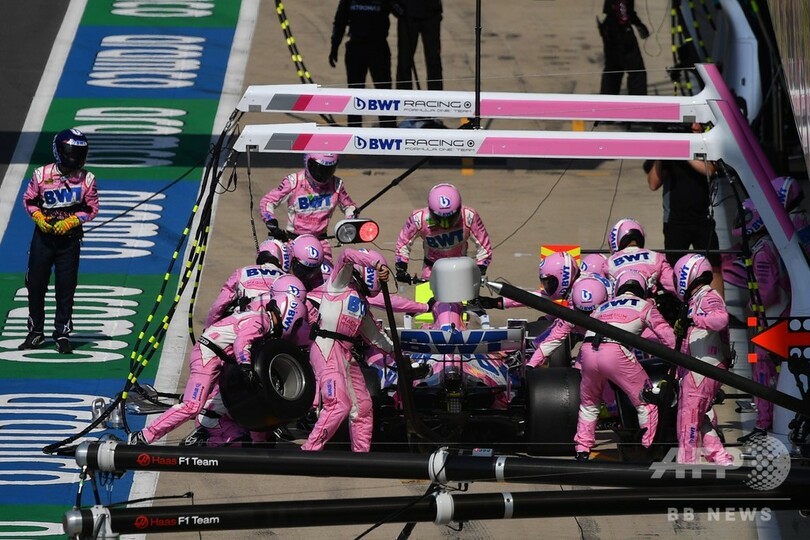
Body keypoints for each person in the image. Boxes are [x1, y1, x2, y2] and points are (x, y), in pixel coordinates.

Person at [129, 291, 306, 445]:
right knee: (192, 405)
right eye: (297, 323)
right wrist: (246, 367)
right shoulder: (262, 322)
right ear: (289, 316)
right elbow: (241, 343)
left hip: (216, 357)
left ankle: (216, 435)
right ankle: (144, 436)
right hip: (208, 356)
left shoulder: (258, 316)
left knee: (218, 406)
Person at [574, 269, 676, 461]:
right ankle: (649, 449)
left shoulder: (602, 307)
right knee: (647, 401)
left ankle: (582, 450)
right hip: (615, 351)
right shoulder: (645, 306)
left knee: (589, 404)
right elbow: (668, 337)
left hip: (588, 351)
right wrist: (683, 356)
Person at [302, 248, 394, 452]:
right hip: (327, 347)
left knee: (363, 408)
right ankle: (309, 450)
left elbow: (377, 338)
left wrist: (398, 354)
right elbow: (345, 254)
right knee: (338, 404)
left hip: (346, 354)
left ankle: (360, 456)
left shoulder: (362, 305)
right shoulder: (339, 283)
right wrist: (376, 264)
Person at [19, 128, 99, 354]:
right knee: (35, 284)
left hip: (69, 241)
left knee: (66, 287)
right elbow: (29, 200)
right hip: (43, 238)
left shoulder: (88, 179)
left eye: (79, 152)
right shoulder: (40, 174)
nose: (75, 157)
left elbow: (92, 208)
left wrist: (73, 221)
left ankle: (62, 333)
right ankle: (35, 332)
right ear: (60, 151)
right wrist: (38, 217)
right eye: (71, 151)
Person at [731, 200, 791, 442]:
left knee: (762, 372)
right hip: (776, 320)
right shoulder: (769, 244)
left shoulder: (762, 252)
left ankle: (764, 423)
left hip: (770, 323)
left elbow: (766, 293)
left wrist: (751, 306)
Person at [645, 123, 723, 297]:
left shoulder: (705, 146)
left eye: (698, 124)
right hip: (675, 220)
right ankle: (676, 308)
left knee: (713, 266)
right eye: (691, 125)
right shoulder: (670, 152)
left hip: (702, 218)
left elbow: (710, 170)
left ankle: (718, 306)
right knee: (674, 268)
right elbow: (653, 184)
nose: (695, 127)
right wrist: (661, 153)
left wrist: (683, 150)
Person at [671, 253, 734, 465]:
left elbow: (721, 319)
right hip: (700, 368)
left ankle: (687, 467)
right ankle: (721, 459)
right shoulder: (696, 299)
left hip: (703, 369)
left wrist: (692, 320)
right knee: (699, 418)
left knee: (687, 421)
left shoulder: (708, 296)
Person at [260, 153, 357, 262]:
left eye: (328, 169)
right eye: (320, 169)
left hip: (321, 242)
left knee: (328, 272)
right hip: (293, 242)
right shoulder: (293, 181)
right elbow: (267, 201)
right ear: (308, 162)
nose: (323, 173)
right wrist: (271, 222)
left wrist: (348, 223)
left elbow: (350, 206)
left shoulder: (337, 184)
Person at [395, 183, 492, 282]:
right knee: (424, 293)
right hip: (431, 272)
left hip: (461, 271)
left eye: (451, 217)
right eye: (439, 218)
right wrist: (401, 267)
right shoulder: (418, 218)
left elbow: (484, 245)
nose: (445, 224)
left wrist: (480, 270)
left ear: (459, 209)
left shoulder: (469, 215)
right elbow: (403, 243)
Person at [329, 0, 399, 127]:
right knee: (355, 94)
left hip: (378, 47)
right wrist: (335, 45)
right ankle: (354, 131)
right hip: (356, 47)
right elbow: (340, 19)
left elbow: (400, 11)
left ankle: (388, 130)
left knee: (384, 93)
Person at [204, 238, 289, 327]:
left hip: (244, 322)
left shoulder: (242, 272)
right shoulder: (286, 278)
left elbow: (219, 304)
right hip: (276, 325)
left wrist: (209, 327)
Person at [606, 217, 676, 295]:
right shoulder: (656, 257)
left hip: (617, 301)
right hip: (647, 301)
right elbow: (673, 284)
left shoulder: (608, 263)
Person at [597, 0, 650, 96]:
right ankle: (638, 101)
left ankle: (606, 100)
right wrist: (624, 25)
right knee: (636, 72)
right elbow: (621, 5)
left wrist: (637, 23)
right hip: (619, 29)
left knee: (614, 69)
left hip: (610, 26)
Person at [395, 0, 443, 91]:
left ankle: (436, 95)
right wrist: (396, 7)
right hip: (407, 14)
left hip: (431, 13)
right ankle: (403, 95)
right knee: (404, 61)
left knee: (434, 60)